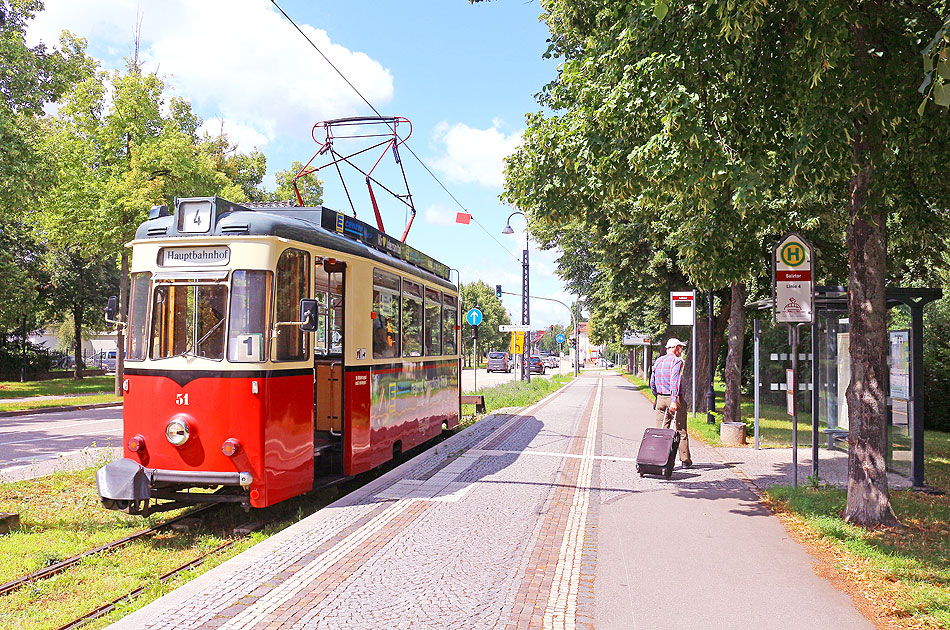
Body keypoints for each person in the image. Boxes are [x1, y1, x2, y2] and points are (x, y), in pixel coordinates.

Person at [649, 337, 692, 468]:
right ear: (675, 348)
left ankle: (659, 458)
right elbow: (675, 381)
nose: (681, 350)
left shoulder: (659, 361)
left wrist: (656, 397)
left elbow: (652, 381)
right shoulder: (677, 361)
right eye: (680, 347)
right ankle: (685, 460)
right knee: (681, 430)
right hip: (674, 398)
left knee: (661, 430)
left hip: (661, 398)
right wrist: (674, 400)